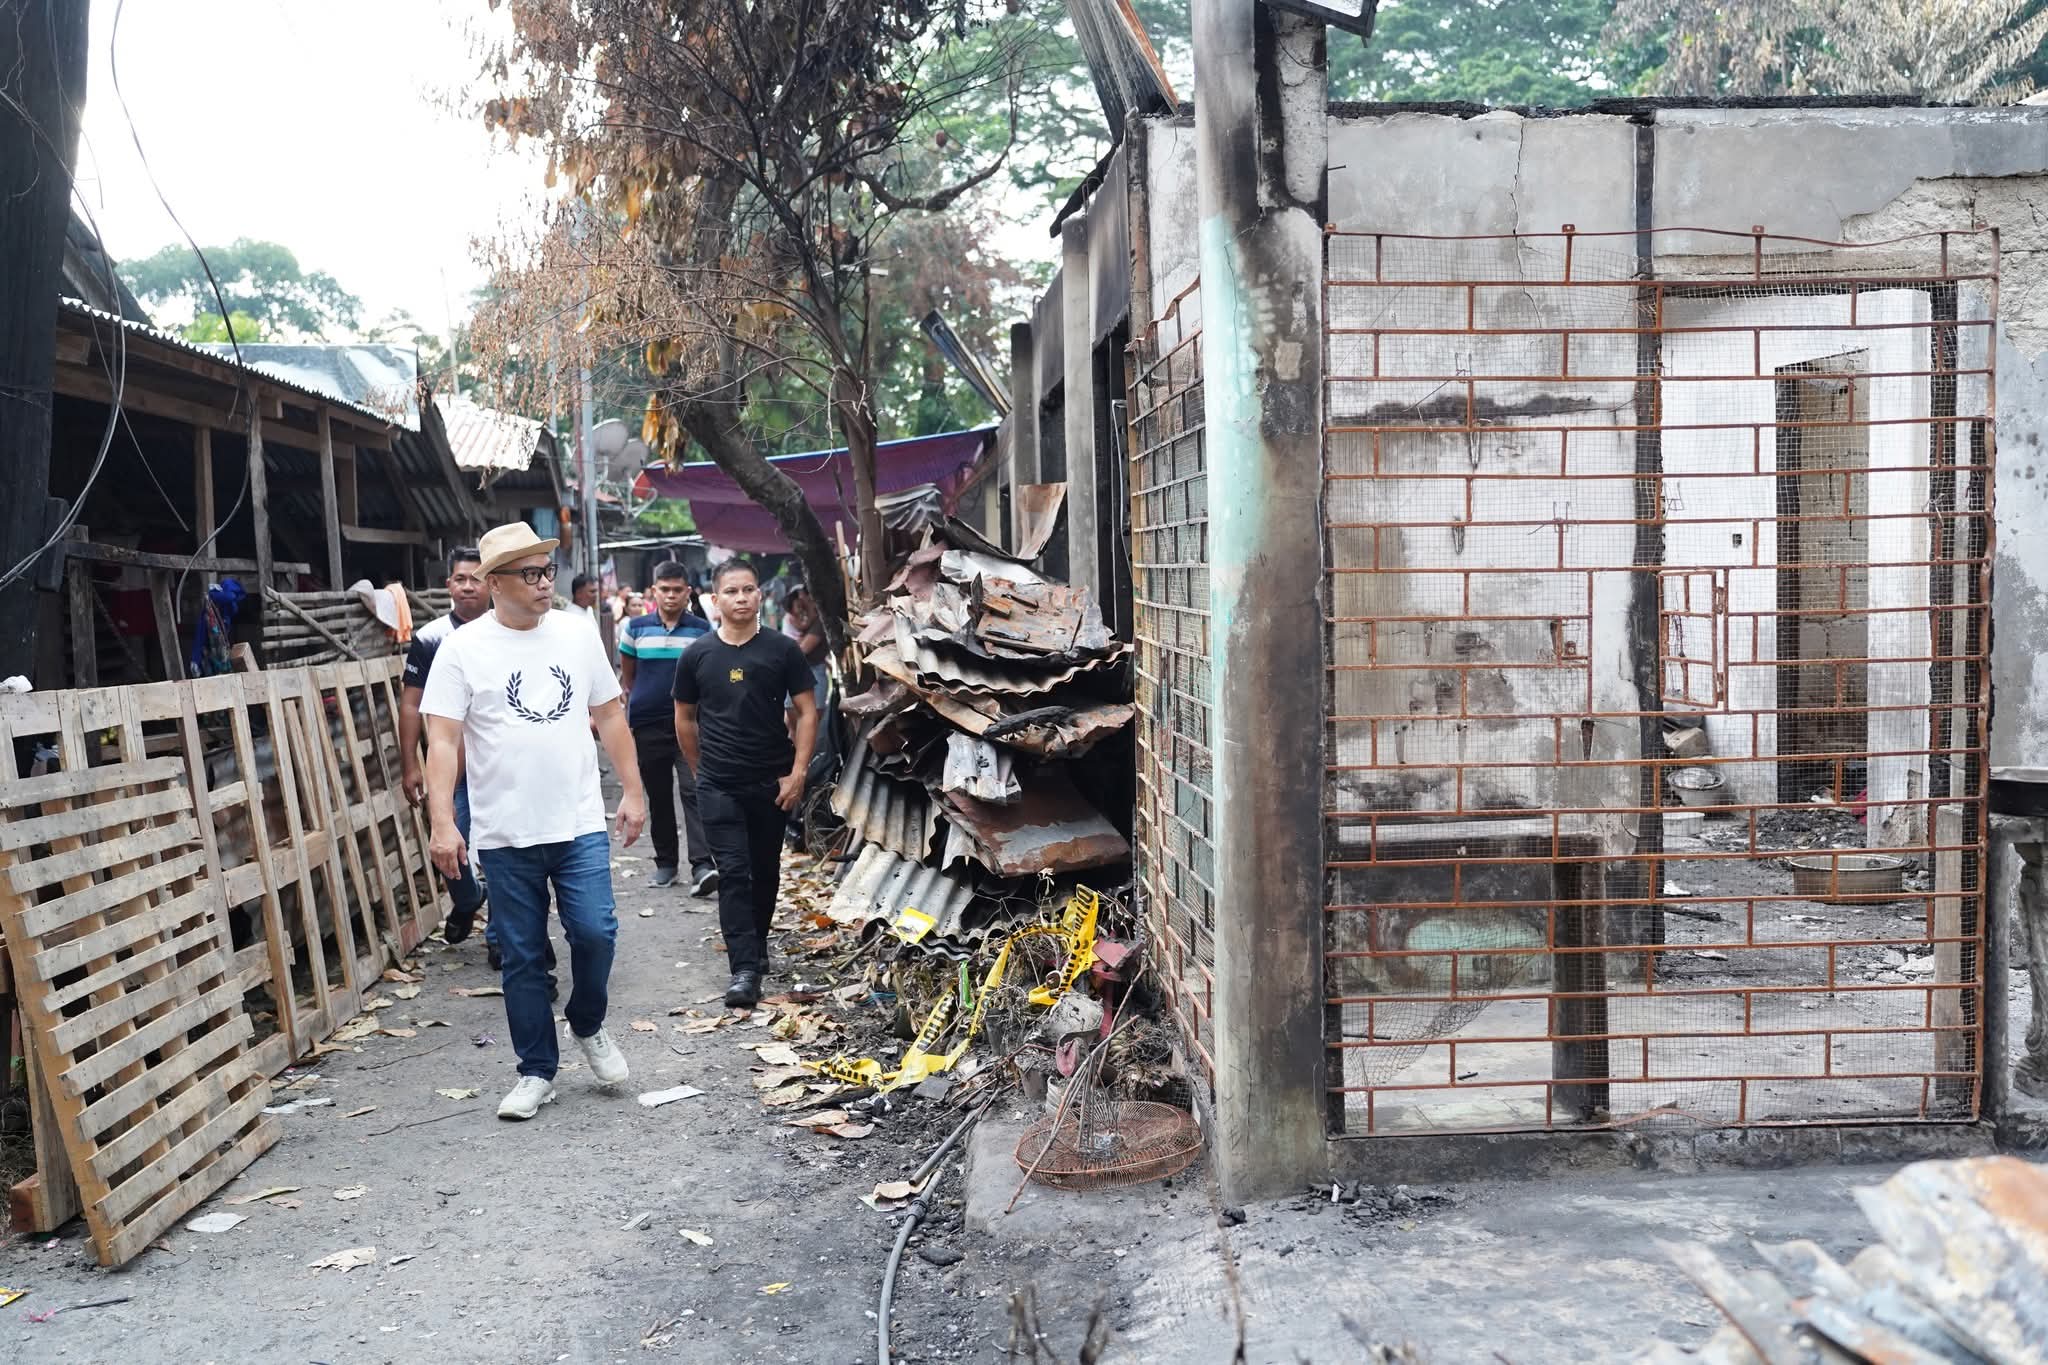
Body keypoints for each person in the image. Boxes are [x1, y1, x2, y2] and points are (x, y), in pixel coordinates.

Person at [421, 521, 650, 1121]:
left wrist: (633, 789)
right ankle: (536, 1070)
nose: (545, 582)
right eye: (530, 573)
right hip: (503, 831)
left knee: (596, 933)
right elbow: (442, 742)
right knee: (522, 957)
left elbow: (610, 715)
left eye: (548, 571)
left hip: (576, 821)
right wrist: (444, 822)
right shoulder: (462, 649)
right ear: (495, 583)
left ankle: (588, 1022)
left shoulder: (577, 635)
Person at [673, 559, 818, 1009]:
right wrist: (700, 771)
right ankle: (744, 968)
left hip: (771, 782)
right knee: (734, 872)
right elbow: (684, 719)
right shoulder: (697, 654)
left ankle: (756, 942)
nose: (741, 598)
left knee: (765, 870)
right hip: (719, 783)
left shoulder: (782, 651)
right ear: (714, 601)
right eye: (731, 591)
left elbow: (808, 712)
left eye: (748, 590)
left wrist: (797, 773)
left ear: (759, 596)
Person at [398, 547, 491, 946]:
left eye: (476, 578)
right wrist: (409, 765)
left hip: (500, 767)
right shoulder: (431, 637)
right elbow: (411, 704)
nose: (468, 586)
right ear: (448, 584)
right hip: (451, 771)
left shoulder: (510, 631)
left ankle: (501, 941)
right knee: (450, 851)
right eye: (460, 578)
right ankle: (469, 899)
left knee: (505, 856)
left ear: (492, 583)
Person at [618, 561, 717, 895]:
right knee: (658, 795)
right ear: (654, 591)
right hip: (648, 722)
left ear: (688, 592)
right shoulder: (635, 627)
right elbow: (630, 677)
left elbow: (707, 677)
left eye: (678, 590)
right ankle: (666, 865)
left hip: (691, 724)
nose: (671, 596)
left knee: (694, 790)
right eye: (665, 589)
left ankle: (702, 865)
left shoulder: (702, 629)